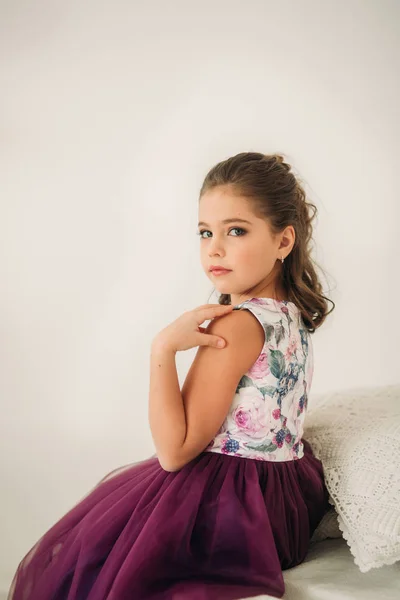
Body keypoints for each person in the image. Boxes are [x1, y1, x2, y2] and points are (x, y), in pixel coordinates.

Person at [8, 152, 335, 600]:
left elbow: (175, 452)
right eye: (205, 233)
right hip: (281, 503)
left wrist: (162, 349)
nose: (214, 249)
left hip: (233, 510)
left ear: (284, 241)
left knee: (101, 567)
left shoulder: (237, 323)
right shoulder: (292, 316)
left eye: (235, 230)